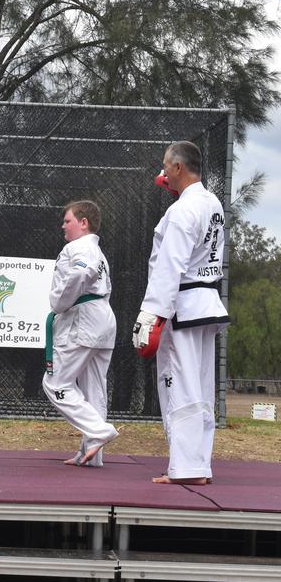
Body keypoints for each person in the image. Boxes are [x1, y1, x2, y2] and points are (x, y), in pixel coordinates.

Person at [133, 141, 229, 485]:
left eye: (165, 167)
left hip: (182, 307)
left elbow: (169, 265)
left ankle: (187, 468)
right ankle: (197, 465)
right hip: (205, 305)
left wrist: (152, 315)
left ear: (177, 168)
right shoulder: (211, 203)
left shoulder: (182, 212)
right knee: (200, 386)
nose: (162, 173)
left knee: (179, 385)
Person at [42, 201, 119, 467]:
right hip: (103, 319)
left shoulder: (79, 247)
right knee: (93, 389)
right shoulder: (97, 251)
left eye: (68, 221)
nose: (63, 226)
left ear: (83, 223)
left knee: (55, 383)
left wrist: (59, 303)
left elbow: (80, 272)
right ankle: (92, 455)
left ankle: (100, 431)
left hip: (84, 320)